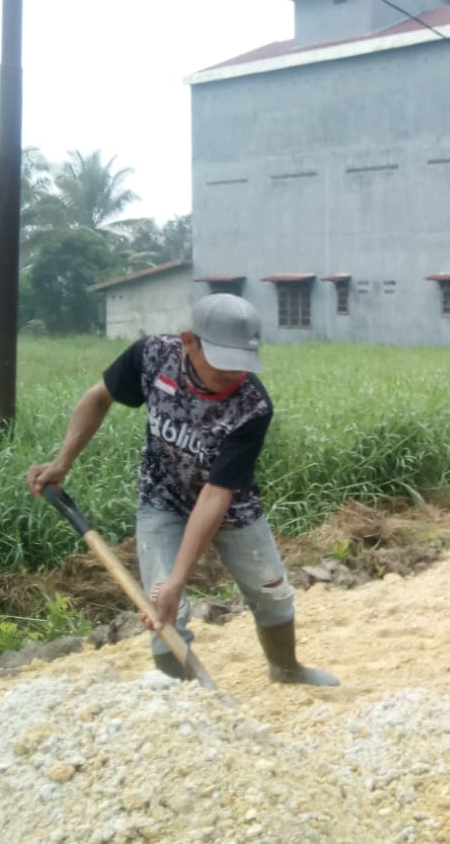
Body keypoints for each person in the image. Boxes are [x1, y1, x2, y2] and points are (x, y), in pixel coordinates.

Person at [26, 293, 338, 686]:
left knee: (272, 589)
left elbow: (215, 495)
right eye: (223, 362)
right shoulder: (153, 357)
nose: (233, 374)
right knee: (163, 604)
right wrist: (62, 462)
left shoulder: (252, 406)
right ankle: (184, 697)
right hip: (162, 498)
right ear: (190, 341)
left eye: (242, 364)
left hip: (231, 504)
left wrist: (181, 577)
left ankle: (286, 669)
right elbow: (98, 397)